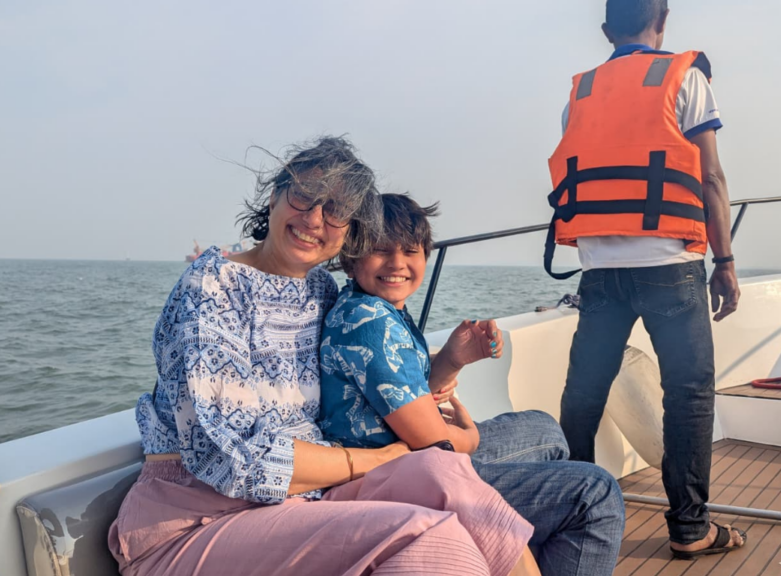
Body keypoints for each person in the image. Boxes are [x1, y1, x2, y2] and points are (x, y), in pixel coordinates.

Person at [109, 137, 539, 576]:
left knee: (445, 475)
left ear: (350, 232)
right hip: (195, 519)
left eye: (336, 210)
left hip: (306, 498)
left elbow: (371, 386)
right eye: (304, 196)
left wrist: (448, 363)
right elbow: (231, 458)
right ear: (274, 197)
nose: (315, 219)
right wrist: (379, 460)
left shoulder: (320, 291)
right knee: (432, 536)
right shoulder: (212, 289)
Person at [320, 193, 625, 576]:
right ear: (351, 259)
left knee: (545, 429)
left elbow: (399, 400)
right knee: (595, 494)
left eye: (410, 251)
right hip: (393, 479)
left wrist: (451, 359)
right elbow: (433, 441)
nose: (397, 263)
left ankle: (515, 548)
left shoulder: (376, 307)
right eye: (381, 250)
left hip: (411, 460)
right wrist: (470, 437)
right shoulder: (369, 322)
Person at [546, 0, 745, 559]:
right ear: (662, 22)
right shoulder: (685, 76)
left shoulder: (580, 93)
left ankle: (572, 512)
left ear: (606, 30)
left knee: (583, 393)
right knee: (688, 393)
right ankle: (690, 528)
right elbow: (710, 176)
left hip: (600, 272)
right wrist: (725, 262)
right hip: (669, 264)